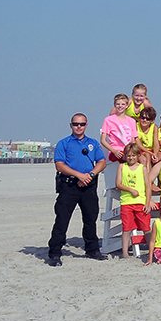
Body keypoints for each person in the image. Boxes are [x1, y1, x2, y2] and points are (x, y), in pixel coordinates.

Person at [48, 114, 108, 265]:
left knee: (90, 218)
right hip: (69, 185)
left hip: (88, 185)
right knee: (62, 219)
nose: (78, 127)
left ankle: (92, 249)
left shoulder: (93, 143)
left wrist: (90, 175)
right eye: (76, 124)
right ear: (71, 125)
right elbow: (59, 165)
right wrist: (79, 175)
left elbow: (101, 161)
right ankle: (55, 252)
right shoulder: (64, 143)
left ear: (86, 125)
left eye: (81, 124)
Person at [115, 143, 150, 258]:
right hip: (126, 202)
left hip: (140, 202)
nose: (131, 158)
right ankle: (125, 253)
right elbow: (118, 184)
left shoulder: (142, 168)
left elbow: (148, 186)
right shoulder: (122, 167)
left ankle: (151, 250)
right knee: (127, 228)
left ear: (138, 156)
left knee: (146, 227)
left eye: (133, 155)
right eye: (128, 155)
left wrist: (148, 202)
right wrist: (130, 190)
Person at [100, 93, 137, 163]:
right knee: (126, 159)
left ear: (126, 106)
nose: (120, 106)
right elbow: (103, 140)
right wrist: (114, 150)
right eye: (118, 104)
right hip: (115, 151)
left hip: (128, 151)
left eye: (123, 104)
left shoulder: (132, 121)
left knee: (143, 158)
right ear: (114, 105)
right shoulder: (108, 120)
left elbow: (133, 140)